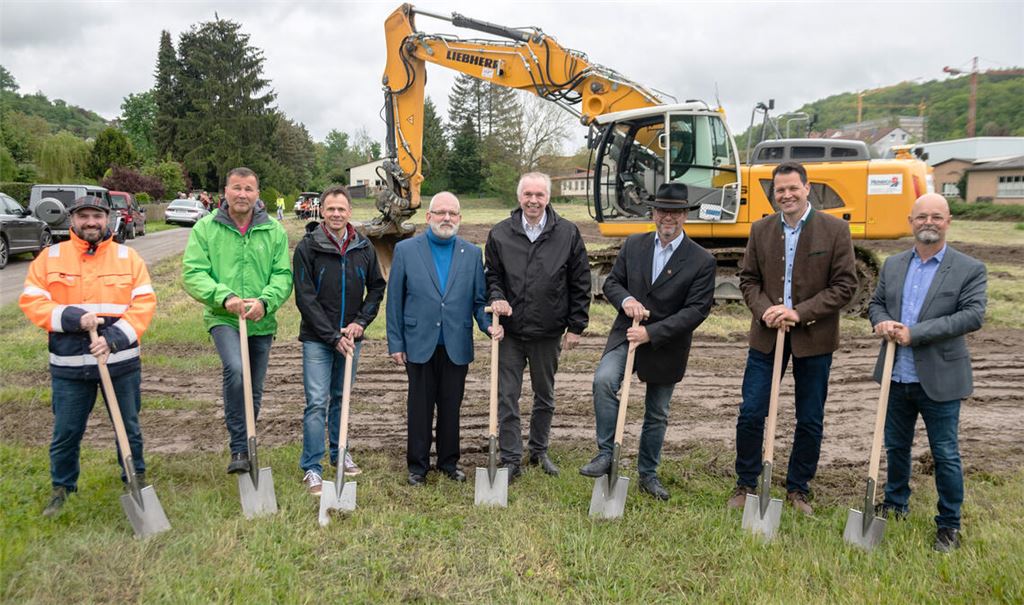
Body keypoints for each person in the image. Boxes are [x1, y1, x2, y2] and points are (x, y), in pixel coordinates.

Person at [727, 161, 858, 515]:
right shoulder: (761, 230)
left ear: (807, 187)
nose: (786, 195)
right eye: (779, 190)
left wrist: (800, 312)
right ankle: (746, 482)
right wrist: (766, 309)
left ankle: (799, 489)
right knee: (752, 412)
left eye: (792, 188)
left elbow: (845, 285)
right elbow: (748, 280)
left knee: (810, 417)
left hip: (814, 339)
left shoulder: (834, 231)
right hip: (767, 337)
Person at [20, 195, 157, 517]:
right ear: (72, 221)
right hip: (69, 366)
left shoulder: (128, 257)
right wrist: (72, 319)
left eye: (97, 216)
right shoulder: (49, 257)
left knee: (129, 427)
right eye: (84, 217)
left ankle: (134, 478)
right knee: (66, 431)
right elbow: (32, 301)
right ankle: (62, 487)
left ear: (107, 219)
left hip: (120, 363)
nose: (91, 222)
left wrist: (111, 339)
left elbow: (144, 305)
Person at [578, 183, 716, 500]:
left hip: (666, 344)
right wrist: (625, 300)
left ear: (685, 216)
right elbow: (613, 283)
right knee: (603, 381)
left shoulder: (700, 260)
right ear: (653, 213)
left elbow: (697, 310)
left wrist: (652, 333)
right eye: (663, 210)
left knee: (657, 413)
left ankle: (648, 474)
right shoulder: (634, 245)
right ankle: (606, 454)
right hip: (627, 335)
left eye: (676, 212)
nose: (669, 217)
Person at [869, 193, 986, 552]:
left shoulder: (969, 268)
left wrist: (914, 333)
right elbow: (876, 304)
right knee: (897, 446)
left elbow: (972, 316)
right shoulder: (893, 264)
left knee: (946, 454)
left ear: (948, 220)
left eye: (937, 216)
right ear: (911, 221)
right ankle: (895, 503)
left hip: (941, 379)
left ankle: (949, 524)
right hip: (897, 374)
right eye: (922, 217)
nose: (929, 223)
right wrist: (881, 323)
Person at [386, 192, 502, 486]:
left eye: (453, 213)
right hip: (419, 341)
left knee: (451, 406)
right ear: (429, 217)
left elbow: (478, 301)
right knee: (420, 407)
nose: (447, 218)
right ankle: (418, 466)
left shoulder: (472, 254)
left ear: (460, 218)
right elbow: (395, 301)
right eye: (441, 213)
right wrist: (396, 343)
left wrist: (488, 326)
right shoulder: (406, 250)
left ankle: (449, 462)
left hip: (455, 342)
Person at [182, 167, 293, 474]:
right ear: (225, 192)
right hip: (224, 317)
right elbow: (193, 273)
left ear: (257, 194)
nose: (242, 194)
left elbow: (283, 275)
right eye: (236, 188)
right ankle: (239, 447)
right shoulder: (206, 228)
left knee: (254, 388)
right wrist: (224, 296)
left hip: (261, 320)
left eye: (248, 189)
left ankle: (248, 443)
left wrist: (266, 301)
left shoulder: (274, 231)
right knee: (236, 369)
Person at [485, 172, 591, 480]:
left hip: (548, 331)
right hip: (511, 332)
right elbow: (492, 275)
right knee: (507, 395)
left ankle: (539, 450)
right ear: (519, 197)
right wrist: (498, 297)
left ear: (548, 198)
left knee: (544, 394)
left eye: (539, 195)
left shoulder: (567, 233)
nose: (533, 200)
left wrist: (576, 326)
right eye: (528, 194)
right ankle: (510, 457)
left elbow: (580, 281)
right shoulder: (500, 233)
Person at [293, 185, 386, 495]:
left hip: (351, 337)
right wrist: (332, 336)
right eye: (330, 208)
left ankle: (339, 452)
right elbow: (305, 298)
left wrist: (360, 322)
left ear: (350, 212)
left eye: (341, 209)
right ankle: (312, 467)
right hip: (318, 340)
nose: (336, 214)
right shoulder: (308, 247)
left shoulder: (363, 246)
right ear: (322, 210)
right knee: (317, 402)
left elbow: (376, 287)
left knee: (341, 397)